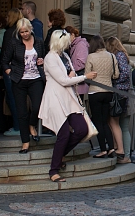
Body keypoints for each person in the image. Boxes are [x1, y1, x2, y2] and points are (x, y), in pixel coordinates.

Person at [39, 29, 97, 183]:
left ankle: (60, 155)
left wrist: (72, 76)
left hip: (68, 98)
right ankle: (54, 170)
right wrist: (84, 77)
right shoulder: (50, 58)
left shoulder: (63, 56)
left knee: (81, 129)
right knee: (64, 133)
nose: (68, 45)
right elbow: (63, 80)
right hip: (56, 98)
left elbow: (68, 76)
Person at [1, 16, 46, 152]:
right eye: (21, 32)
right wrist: (10, 72)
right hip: (19, 80)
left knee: (37, 106)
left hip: (36, 79)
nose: (24, 34)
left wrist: (41, 61)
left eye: (26, 31)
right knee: (21, 112)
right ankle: (25, 142)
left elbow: (43, 57)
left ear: (30, 29)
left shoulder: (38, 41)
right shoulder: (14, 43)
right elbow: (4, 60)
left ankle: (32, 125)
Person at [85, 35, 118, 158]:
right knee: (105, 121)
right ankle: (111, 148)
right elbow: (116, 75)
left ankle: (103, 149)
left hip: (95, 92)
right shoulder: (111, 56)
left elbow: (87, 75)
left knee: (98, 122)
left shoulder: (91, 57)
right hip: (108, 92)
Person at [105, 37, 133, 164]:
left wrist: (113, 79)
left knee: (116, 121)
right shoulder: (121, 55)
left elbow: (125, 73)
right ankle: (119, 150)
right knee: (115, 122)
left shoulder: (119, 55)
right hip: (121, 92)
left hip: (120, 92)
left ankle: (122, 152)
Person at [0, 8, 23, 136]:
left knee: (12, 98)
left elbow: (4, 53)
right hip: (21, 69)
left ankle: (17, 127)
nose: (6, 19)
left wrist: (3, 67)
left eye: (8, 17)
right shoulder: (23, 32)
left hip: (10, 69)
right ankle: (21, 126)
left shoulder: (9, 33)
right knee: (20, 98)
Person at [66, 27, 89, 97]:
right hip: (75, 81)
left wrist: (70, 69)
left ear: (72, 35)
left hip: (79, 83)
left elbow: (82, 62)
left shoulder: (80, 44)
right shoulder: (73, 45)